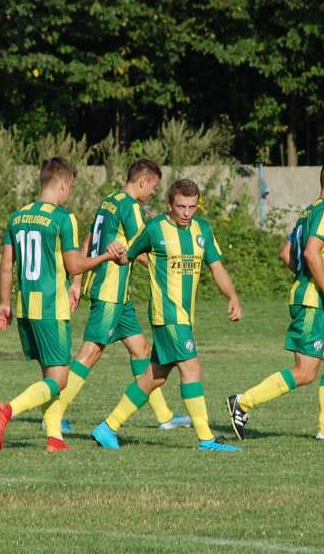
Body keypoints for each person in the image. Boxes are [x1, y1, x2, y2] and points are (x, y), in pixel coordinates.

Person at [39, 160, 191, 445]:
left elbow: (88, 239)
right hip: (110, 290)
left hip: (119, 296)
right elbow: (142, 247)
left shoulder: (109, 202)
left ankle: (165, 417)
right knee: (90, 353)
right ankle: (53, 415)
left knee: (141, 350)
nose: (153, 193)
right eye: (154, 187)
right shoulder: (130, 206)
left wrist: (77, 282)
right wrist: (172, 268)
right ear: (143, 182)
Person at [90, 178, 242, 452]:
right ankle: (206, 438)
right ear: (169, 205)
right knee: (192, 368)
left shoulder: (202, 230)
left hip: (185, 315)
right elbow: (127, 255)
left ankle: (107, 427)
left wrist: (232, 296)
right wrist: (112, 248)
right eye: (181, 206)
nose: (186, 213)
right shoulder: (154, 229)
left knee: (155, 377)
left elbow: (216, 267)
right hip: (167, 315)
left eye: (192, 207)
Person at [0, 157, 125, 452]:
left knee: (48, 377)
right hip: (51, 309)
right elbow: (75, 266)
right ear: (63, 184)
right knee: (60, 381)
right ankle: (8, 409)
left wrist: (4, 303)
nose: (69, 193)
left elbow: (5, 267)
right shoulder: (63, 218)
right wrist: (106, 257)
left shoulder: (17, 217)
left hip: (25, 307)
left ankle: (55, 438)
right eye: (70, 187)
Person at [227, 157, 324, 442]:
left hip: (316, 301)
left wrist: (310, 281)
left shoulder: (308, 212)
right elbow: (310, 253)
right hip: (314, 302)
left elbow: (287, 253)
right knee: (306, 372)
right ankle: (243, 402)